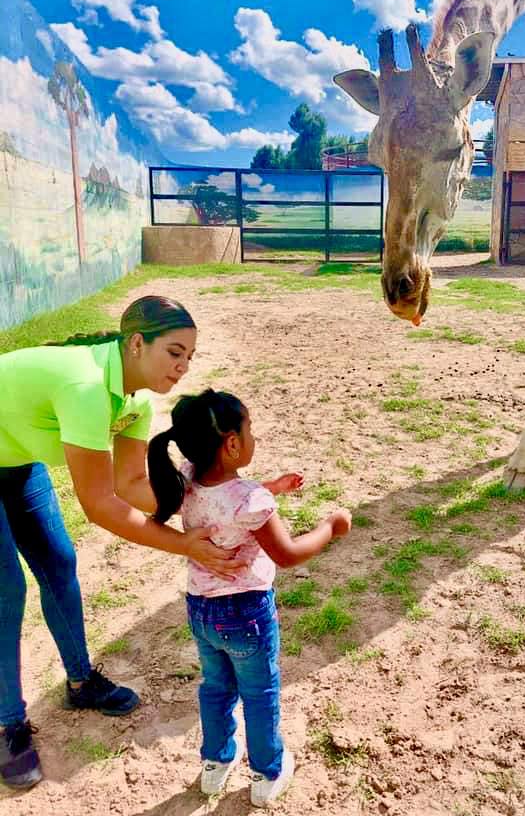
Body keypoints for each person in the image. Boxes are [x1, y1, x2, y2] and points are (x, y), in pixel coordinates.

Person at [0, 296, 248, 792]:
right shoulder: (88, 388)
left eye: (190, 358)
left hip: (16, 458)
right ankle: (8, 724)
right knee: (7, 590)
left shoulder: (135, 399)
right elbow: (100, 506)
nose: (182, 367)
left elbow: (132, 484)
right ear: (137, 344)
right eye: (174, 352)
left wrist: (214, 502)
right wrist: (185, 545)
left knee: (58, 565)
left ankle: (80, 682)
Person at [147, 388, 352, 807]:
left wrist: (271, 486)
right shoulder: (251, 501)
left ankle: (214, 765)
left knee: (216, 688)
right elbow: (288, 553)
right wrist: (331, 527)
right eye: (250, 428)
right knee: (260, 694)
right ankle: (266, 773)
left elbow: (225, 501)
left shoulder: (186, 476)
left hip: (201, 611)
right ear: (233, 443)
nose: (254, 436)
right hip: (246, 615)